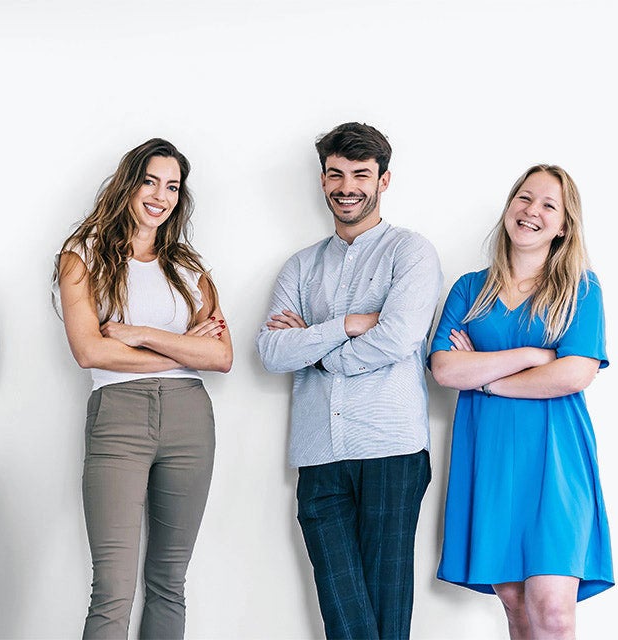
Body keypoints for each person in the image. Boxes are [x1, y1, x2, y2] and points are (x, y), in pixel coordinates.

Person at [256, 122, 442, 639]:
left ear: (384, 181)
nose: (347, 186)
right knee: (342, 612)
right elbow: (271, 350)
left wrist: (314, 349)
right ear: (322, 180)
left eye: (361, 174)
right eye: (336, 173)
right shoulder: (299, 265)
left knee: (385, 605)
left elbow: (399, 337)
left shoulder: (411, 252)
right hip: (319, 454)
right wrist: (346, 324)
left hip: (391, 449)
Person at [53, 138, 232, 639]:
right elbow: (90, 351)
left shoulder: (190, 268)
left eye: (173, 186)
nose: (161, 195)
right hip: (118, 416)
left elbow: (221, 356)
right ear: (128, 183)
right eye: (150, 181)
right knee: (112, 588)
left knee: (169, 581)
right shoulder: (81, 257)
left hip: (189, 421)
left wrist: (142, 334)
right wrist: (180, 348)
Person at [429, 164, 614, 639]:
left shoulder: (581, 288)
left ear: (564, 224)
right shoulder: (470, 289)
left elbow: (575, 373)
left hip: (556, 460)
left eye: (548, 205)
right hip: (489, 456)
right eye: (524, 198)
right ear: (509, 206)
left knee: (552, 609)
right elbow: (446, 368)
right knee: (517, 608)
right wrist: (533, 356)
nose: (532, 211)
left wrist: (487, 377)